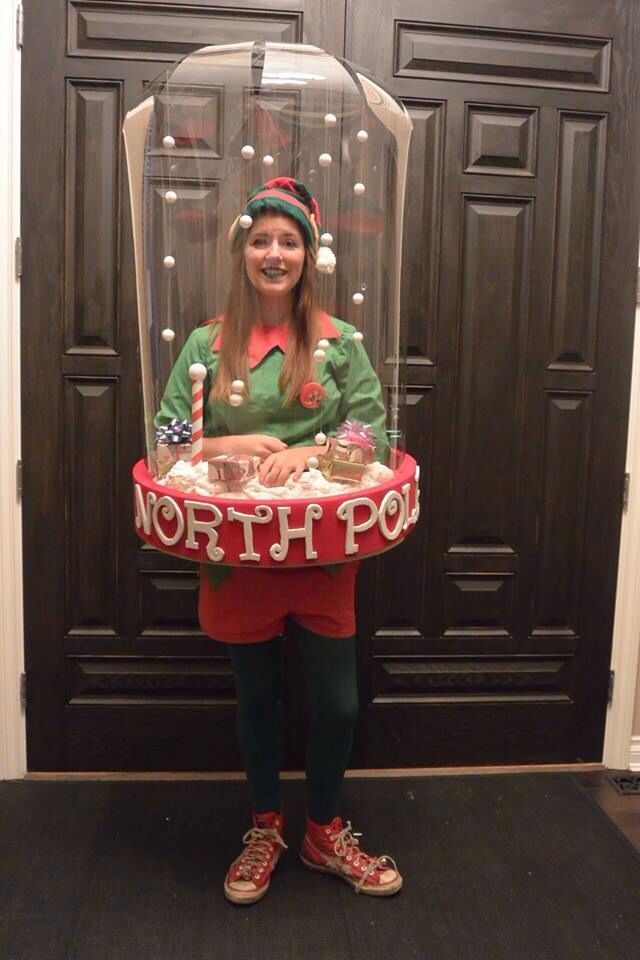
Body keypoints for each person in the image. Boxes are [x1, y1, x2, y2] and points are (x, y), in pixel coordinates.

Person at [156, 177, 402, 904]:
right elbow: (169, 444)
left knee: (336, 705)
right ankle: (265, 828)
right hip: (236, 558)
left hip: (324, 553)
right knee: (256, 699)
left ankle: (323, 831)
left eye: (288, 241)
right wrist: (226, 442)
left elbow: (372, 429)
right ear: (242, 251)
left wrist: (317, 454)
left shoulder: (339, 343)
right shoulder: (205, 344)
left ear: (308, 254)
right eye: (261, 239)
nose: (274, 253)